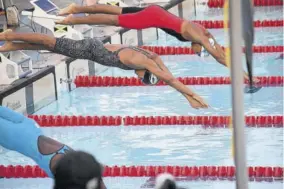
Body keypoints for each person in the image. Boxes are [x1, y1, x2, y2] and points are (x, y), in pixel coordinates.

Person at [0, 29, 208, 109]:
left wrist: (185, 93)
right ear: (146, 72)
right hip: (91, 49)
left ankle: (14, 45)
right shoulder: (140, 61)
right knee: (49, 41)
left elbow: (163, 67)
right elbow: (170, 80)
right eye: (143, 79)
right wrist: (191, 96)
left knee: (49, 46)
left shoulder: (150, 59)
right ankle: (8, 36)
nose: (139, 79)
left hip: (92, 51)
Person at [55, 3, 256, 82]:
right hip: (153, 18)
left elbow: (216, 50)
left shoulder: (204, 34)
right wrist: (244, 74)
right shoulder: (203, 37)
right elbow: (221, 57)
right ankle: (73, 18)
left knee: (117, 11)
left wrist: (200, 48)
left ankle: (77, 7)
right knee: (112, 20)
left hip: (156, 11)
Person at [0, 106, 107, 189]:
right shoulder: (65, 172)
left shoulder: (79, 162)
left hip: (30, 126)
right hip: (15, 136)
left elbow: (99, 177)